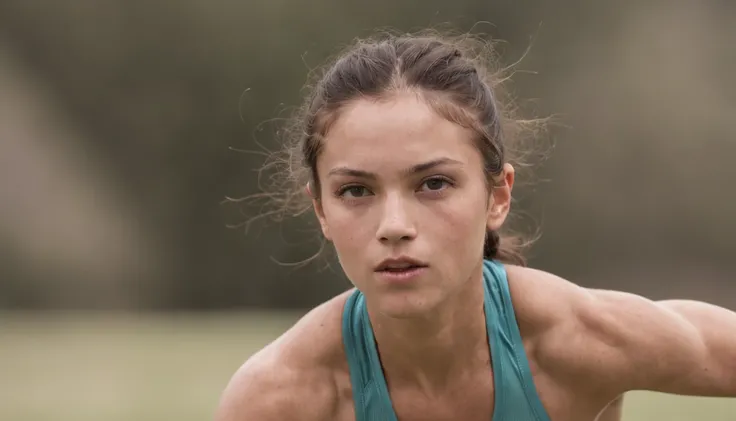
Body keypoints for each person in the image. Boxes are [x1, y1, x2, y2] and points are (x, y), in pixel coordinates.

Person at [214, 31, 736, 421]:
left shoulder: (579, 341)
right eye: (356, 191)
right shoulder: (278, 399)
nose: (394, 226)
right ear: (321, 210)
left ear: (498, 196)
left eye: (433, 184)